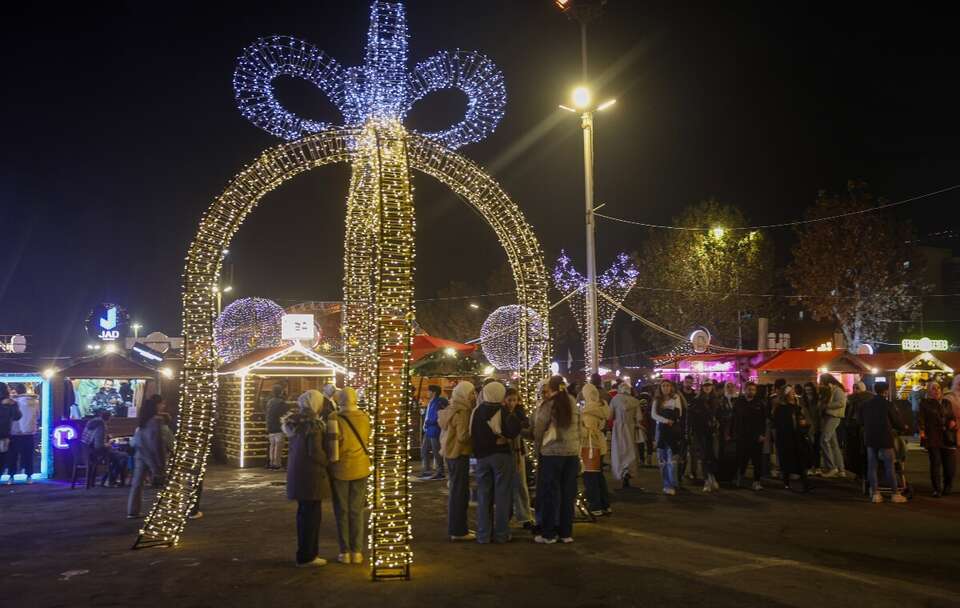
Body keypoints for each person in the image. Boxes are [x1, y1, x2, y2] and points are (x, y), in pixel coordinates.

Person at [283, 390, 333, 566]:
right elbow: (315, 452)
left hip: (297, 472)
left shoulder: (294, 422)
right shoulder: (314, 424)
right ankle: (307, 556)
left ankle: (305, 553)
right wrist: (328, 461)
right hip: (311, 475)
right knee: (312, 516)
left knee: (303, 514)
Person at [470, 381, 521, 544]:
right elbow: (513, 430)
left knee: (484, 496)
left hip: (482, 458)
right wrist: (502, 438)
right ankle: (501, 534)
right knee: (502, 495)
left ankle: (483, 535)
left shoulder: (476, 412)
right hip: (501, 457)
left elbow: (472, 434)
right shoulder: (502, 410)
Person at [533, 375, 580, 544]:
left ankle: (548, 533)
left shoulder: (549, 404)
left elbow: (538, 429)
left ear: (551, 388)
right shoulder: (573, 402)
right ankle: (566, 533)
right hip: (572, 453)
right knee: (568, 495)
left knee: (550, 494)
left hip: (552, 454)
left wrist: (538, 449)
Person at [327, 387, 370, 565]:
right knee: (357, 510)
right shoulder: (365, 417)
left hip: (342, 469)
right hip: (361, 466)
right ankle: (358, 551)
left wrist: (331, 464)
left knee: (342, 511)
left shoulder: (334, 418)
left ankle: (345, 551)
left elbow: (333, 449)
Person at [857, 382, 908, 503]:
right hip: (885, 438)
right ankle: (895, 493)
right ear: (886, 391)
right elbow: (896, 421)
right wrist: (904, 427)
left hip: (870, 437)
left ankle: (875, 493)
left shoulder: (865, 404)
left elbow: (860, 421)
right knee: (889, 466)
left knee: (872, 466)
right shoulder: (888, 404)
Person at [127, 395, 175, 517]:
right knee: (166, 482)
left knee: (137, 483)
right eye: (162, 404)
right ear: (157, 405)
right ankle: (171, 511)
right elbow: (156, 442)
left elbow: (137, 440)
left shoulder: (143, 420)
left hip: (140, 454)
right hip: (152, 457)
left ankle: (133, 511)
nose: (163, 406)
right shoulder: (156, 421)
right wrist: (161, 460)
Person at [439, 381, 475, 541]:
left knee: (456, 491)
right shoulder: (463, 411)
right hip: (459, 454)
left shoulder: (451, 408)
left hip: (449, 454)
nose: (473, 396)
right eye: (471, 393)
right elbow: (462, 436)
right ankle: (459, 531)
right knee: (460, 493)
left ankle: (457, 528)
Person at [917, 383, 957, 497]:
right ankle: (937, 489)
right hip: (933, 437)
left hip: (947, 437)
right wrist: (922, 430)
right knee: (935, 464)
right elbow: (921, 418)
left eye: (938, 388)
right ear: (929, 391)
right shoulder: (925, 403)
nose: (936, 390)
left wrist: (953, 421)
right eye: (933, 389)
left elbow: (951, 416)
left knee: (950, 466)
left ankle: (947, 487)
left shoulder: (946, 402)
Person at [503, 387, 535, 529]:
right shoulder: (502, 413)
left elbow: (524, 427)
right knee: (507, 485)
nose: (512, 403)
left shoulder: (519, 413)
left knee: (520, 484)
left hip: (517, 451)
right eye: (509, 400)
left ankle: (524, 516)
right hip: (505, 452)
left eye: (514, 400)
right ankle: (507, 515)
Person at [771, 385, 812, 492]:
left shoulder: (797, 406)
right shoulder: (780, 408)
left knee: (800, 459)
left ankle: (804, 482)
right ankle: (786, 482)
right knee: (786, 460)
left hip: (797, 437)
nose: (793, 393)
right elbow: (776, 424)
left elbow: (803, 419)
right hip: (785, 438)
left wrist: (803, 423)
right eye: (791, 392)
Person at [580, 383, 611, 515]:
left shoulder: (588, 409)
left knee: (590, 476)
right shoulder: (601, 408)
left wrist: (579, 428)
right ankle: (605, 504)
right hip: (600, 444)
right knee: (598, 476)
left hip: (590, 445)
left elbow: (587, 431)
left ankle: (595, 506)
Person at [651, 379, 683, 495]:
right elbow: (653, 415)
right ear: (660, 388)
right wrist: (665, 420)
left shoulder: (675, 398)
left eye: (668, 385)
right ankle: (666, 483)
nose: (665, 387)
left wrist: (671, 419)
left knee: (672, 458)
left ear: (671, 387)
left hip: (672, 430)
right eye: (663, 385)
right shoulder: (657, 400)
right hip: (661, 430)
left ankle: (672, 482)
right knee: (663, 458)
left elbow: (679, 413)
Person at [689, 380, 721, 492]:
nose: (707, 388)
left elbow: (720, 415)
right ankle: (707, 479)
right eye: (705, 386)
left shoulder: (716, 400)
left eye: (709, 386)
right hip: (701, 432)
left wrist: (717, 422)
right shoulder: (697, 400)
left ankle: (712, 477)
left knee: (713, 455)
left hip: (713, 432)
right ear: (702, 387)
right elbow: (692, 418)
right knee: (704, 456)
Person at [734, 382, 765, 491]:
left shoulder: (760, 403)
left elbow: (763, 420)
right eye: (749, 389)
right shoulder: (739, 403)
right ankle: (740, 477)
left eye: (753, 389)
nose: (750, 391)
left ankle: (756, 481)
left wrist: (762, 434)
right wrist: (734, 433)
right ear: (744, 390)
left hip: (756, 437)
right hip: (742, 436)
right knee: (742, 459)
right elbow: (735, 419)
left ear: (755, 391)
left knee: (757, 460)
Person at [81, 411, 125, 486]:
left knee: (115, 457)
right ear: (109, 418)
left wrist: (105, 438)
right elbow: (99, 445)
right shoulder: (101, 425)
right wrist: (109, 443)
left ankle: (109, 479)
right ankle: (111, 480)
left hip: (86, 453)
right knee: (123, 456)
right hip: (96, 453)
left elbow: (92, 437)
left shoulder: (91, 422)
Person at [7, 383, 40, 484]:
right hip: (29, 431)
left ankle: (11, 477)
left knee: (12, 456)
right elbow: (37, 415)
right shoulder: (35, 401)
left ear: (15, 391)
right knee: (28, 455)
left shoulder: (12, 402)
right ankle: (29, 476)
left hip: (15, 431)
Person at [610, 383, 640, 488]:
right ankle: (629, 471)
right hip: (630, 427)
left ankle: (621, 472)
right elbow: (639, 417)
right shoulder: (635, 401)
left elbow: (610, 415)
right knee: (630, 450)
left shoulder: (614, 400)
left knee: (619, 451)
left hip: (618, 428)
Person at [819, 374, 847, 478]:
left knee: (824, 440)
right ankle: (841, 469)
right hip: (831, 416)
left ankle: (832, 467)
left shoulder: (837, 390)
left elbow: (841, 403)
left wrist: (826, 406)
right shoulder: (833, 389)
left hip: (833, 416)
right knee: (834, 444)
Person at [420, 385, 447, 480]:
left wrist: (429, 422)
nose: (427, 393)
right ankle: (427, 470)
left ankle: (440, 471)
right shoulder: (432, 402)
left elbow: (439, 415)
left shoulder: (439, 402)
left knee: (436, 451)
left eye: (429, 391)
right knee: (424, 450)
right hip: (428, 430)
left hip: (435, 430)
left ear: (434, 392)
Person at [265, 384, 290, 470]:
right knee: (278, 447)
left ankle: (272, 463)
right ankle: (277, 464)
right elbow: (285, 414)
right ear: (281, 392)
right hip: (278, 427)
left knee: (272, 446)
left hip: (270, 427)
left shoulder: (270, 401)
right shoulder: (281, 403)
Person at [0, 383, 22, 480]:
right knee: (2, 457)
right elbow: (17, 417)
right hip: (4, 434)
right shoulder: (11, 403)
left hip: (4, 434)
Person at [800, 382, 821, 473]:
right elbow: (803, 412)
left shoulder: (817, 399)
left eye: (810, 389)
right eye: (806, 390)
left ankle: (817, 466)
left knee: (816, 447)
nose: (808, 391)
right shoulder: (803, 399)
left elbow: (818, 412)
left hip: (817, 424)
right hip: (808, 425)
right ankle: (809, 466)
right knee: (808, 447)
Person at [679, 375, 697, 481]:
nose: (688, 384)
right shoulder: (679, 395)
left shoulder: (695, 395)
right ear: (684, 382)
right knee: (683, 452)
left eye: (690, 382)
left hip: (693, 426)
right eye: (687, 382)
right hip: (682, 426)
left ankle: (693, 473)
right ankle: (681, 472)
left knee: (694, 452)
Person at [635, 390, 652, 467]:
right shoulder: (650, 408)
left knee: (641, 443)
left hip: (642, 427)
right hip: (646, 427)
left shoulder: (638, 406)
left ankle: (643, 459)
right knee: (647, 442)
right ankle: (648, 457)